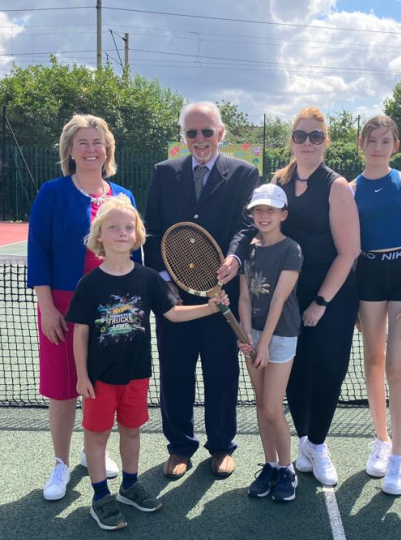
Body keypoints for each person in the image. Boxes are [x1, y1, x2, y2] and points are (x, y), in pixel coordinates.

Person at [67, 195, 229, 530]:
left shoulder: (148, 278)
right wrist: (82, 375)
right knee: (97, 437)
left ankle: (129, 486)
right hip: (99, 379)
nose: (122, 233)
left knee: (131, 432)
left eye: (128, 227)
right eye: (114, 227)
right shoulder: (89, 284)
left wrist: (209, 308)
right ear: (100, 236)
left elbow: (172, 312)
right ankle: (100, 497)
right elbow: (80, 334)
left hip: (137, 376)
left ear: (138, 235)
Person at [224, 107, 360, 487]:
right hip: (285, 294)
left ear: (326, 141)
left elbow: (349, 252)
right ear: (292, 140)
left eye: (316, 136)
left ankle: (318, 443)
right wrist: (235, 257)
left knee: (328, 369)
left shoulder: (337, 186)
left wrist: (321, 303)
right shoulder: (278, 181)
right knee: (294, 373)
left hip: (330, 294)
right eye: (300, 135)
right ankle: (301, 441)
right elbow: (250, 228)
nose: (307, 143)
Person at [27, 114, 141, 501]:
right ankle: (60, 463)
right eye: (83, 143)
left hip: (114, 312)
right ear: (70, 151)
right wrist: (47, 307)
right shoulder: (52, 192)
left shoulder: (123, 196)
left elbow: (135, 254)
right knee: (62, 391)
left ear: (107, 149)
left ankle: (94, 451)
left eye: (98, 142)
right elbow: (37, 252)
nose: (92, 149)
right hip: (62, 304)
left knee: (104, 388)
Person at [144, 102, 259, 479]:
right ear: (184, 137)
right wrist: (165, 282)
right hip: (174, 296)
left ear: (221, 133)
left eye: (207, 131)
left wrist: (235, 259)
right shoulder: (164, 173)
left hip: (220, 293)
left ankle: (222, 446)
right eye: (191, 133)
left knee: (222, 372)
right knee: (175, 372)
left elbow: (247, 226)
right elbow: (154, 231)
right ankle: (179, 447)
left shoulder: (244, 173)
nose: (199, 139)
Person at [351, 115, 401, 495]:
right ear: (361, 144)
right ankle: (381, 440)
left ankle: (399, 455)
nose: (378, 147)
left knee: (398, 367)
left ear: (395, 146)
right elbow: (349, 249)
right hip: (368, 278)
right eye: (372, 140)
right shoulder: (349, 189)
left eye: (385, 141)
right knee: (374, 361)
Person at [236, 183, 302, 502]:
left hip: (281, 335)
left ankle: (287, 469)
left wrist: (264, 344)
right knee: (261, 406)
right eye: (258, 210)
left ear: (283, 215)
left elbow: (278, 298)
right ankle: (271, 465)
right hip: (254, 336)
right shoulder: (248, 248)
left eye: (270, 210)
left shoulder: (292, 250)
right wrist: (247, 335)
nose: (263, 215)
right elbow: (245, 297)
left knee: (273, 407)